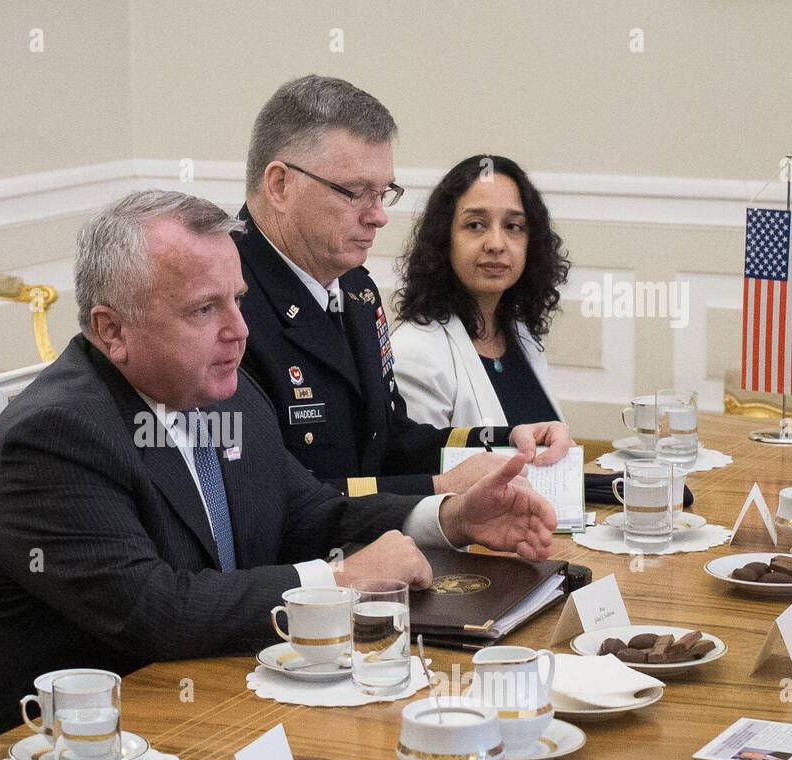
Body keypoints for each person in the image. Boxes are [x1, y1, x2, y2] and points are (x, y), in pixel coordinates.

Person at [0, 190, 558, 744]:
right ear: (112, 330)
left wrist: (451, 517)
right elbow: (159, 610)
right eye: (204, 310)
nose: (240, 331)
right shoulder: (57, 436)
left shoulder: (222, 393)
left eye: (237, 300)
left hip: (211, 708)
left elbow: (307, 512)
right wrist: (339, 584)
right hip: (67, 757)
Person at [236, 75, 570, 498]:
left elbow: (389, 441)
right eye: (356, 193)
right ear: (280, 184)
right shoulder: (226, 303)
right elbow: (272, 498)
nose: (378, 216)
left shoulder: (354, 289)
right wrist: (439, 488)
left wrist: (505, 441)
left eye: (384, 193)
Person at [391, 155, 569, 429]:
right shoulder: (416, 353)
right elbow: (425, 468)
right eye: (476, 225)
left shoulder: (520, 335)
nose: (496, 244)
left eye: (513, 227)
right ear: (443, 238)